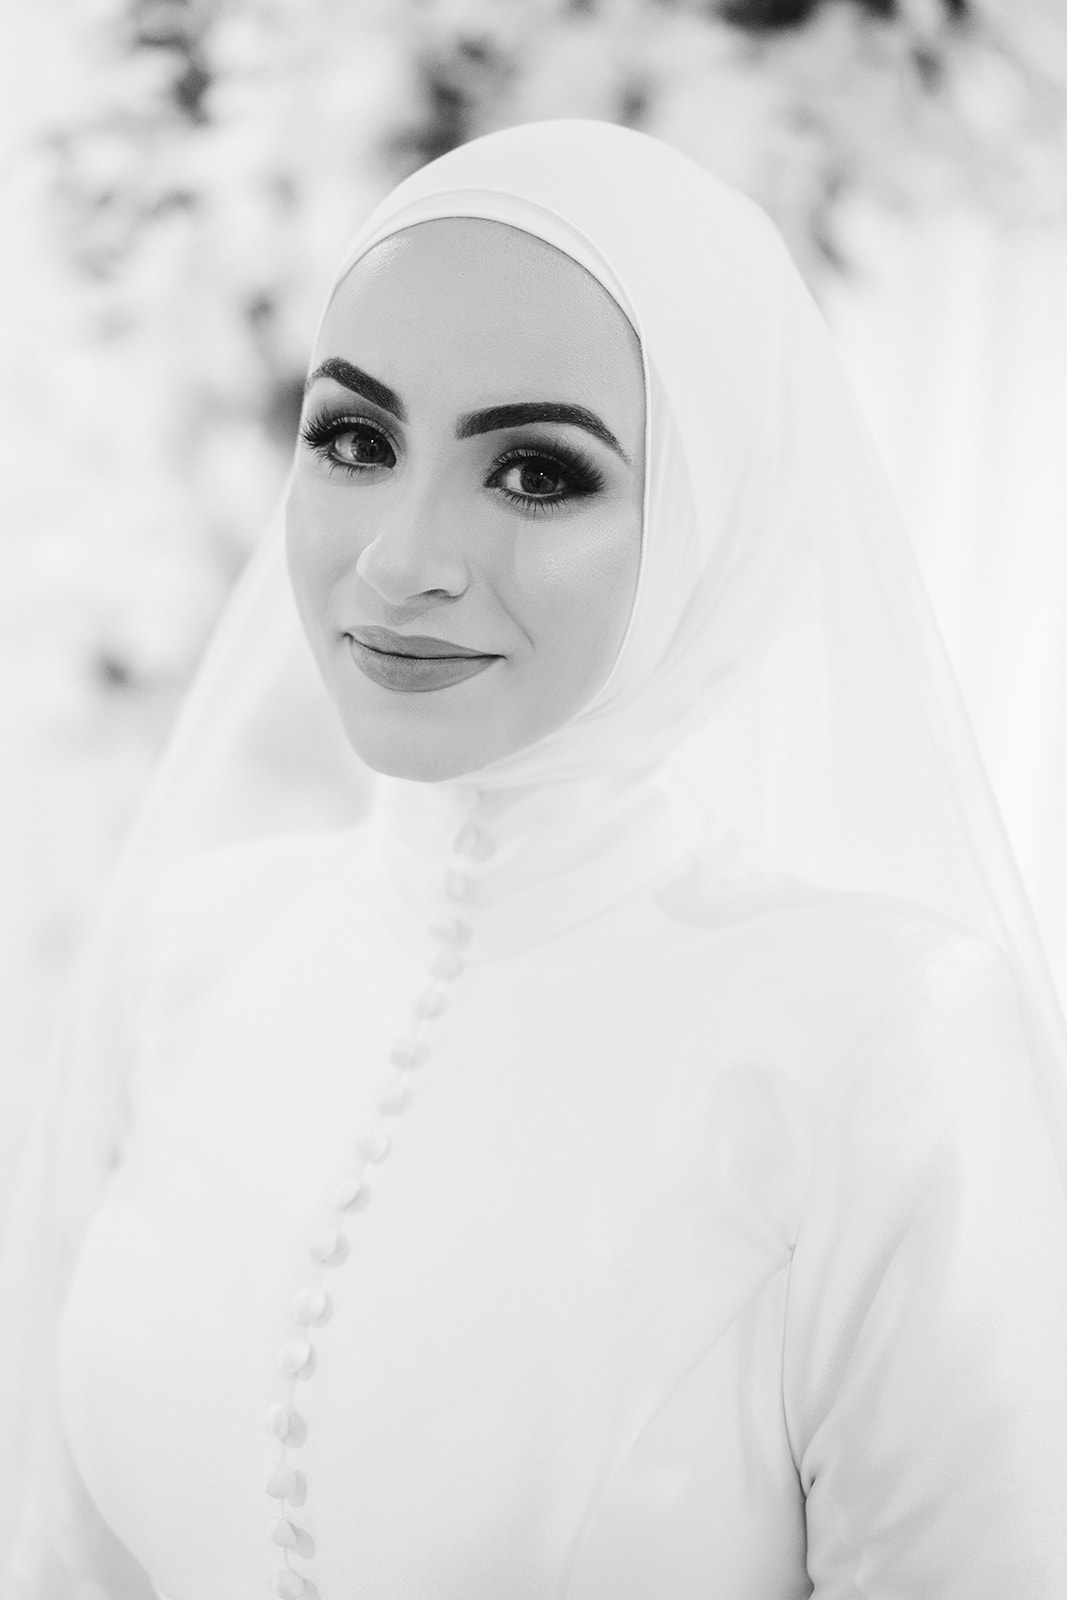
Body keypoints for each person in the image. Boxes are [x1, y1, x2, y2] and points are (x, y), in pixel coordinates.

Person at [2, 118, 1067, 1600]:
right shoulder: (190, 952)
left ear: (709, 520)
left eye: (537, 474)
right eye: (356, 441)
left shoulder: (882, 1040)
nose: (400, 561)